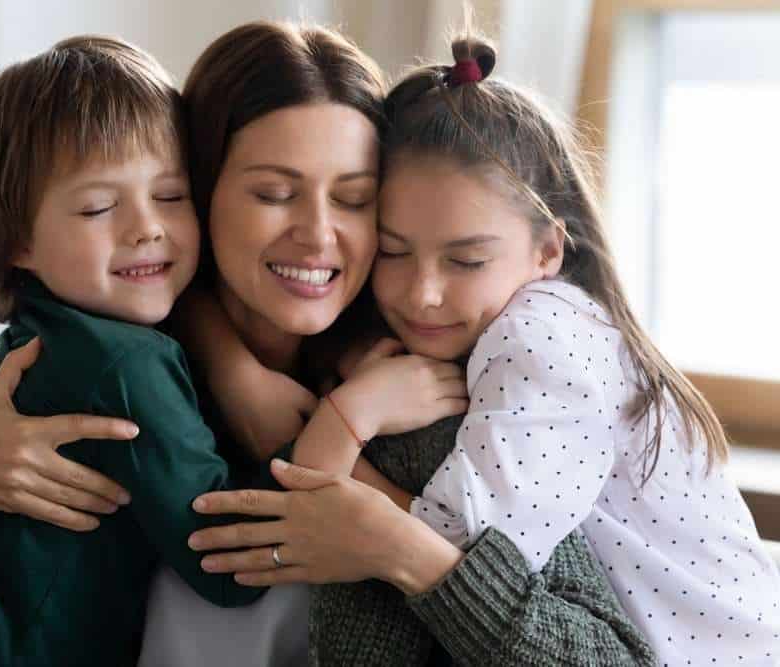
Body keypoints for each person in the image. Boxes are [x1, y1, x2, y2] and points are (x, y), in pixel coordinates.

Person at [0, 21, 654, 667]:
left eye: (354, 199)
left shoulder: (429, 410)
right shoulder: (98, 372)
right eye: (274, 192)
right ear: (201, 194)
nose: (319, 234)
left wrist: (404, 543)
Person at [192, 30, 780, 667]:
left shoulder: (541, 333)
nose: (423, 294)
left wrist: (342, 430)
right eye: (393, 250)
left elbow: (461, 546)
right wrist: (219, 351)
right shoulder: (434, 329)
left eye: (466, 259)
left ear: (549, 251)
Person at [0, 34, 308, 666]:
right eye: (98, 207)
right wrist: (341, 427)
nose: (147, 226)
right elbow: (222, 564)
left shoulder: (46, 335)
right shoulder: (124, 365)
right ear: (16, 244)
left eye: (170, 195)